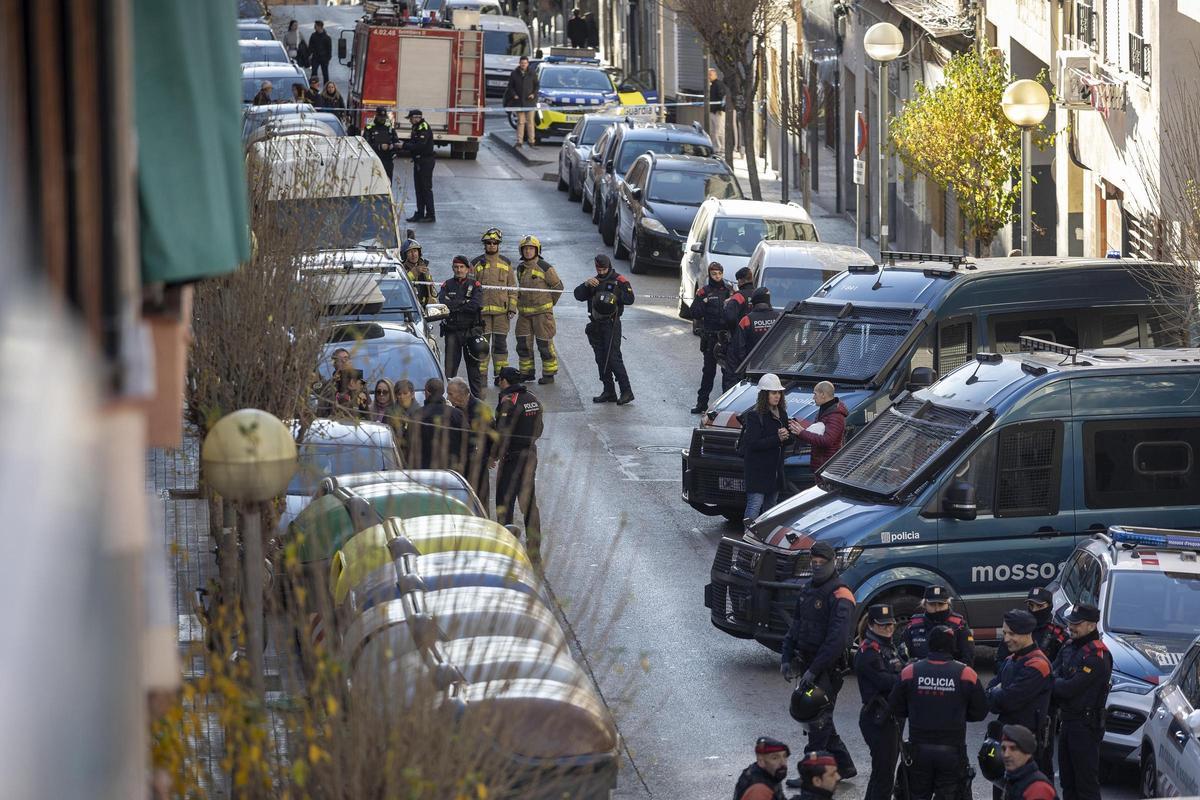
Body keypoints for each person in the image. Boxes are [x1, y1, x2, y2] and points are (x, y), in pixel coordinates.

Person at [780, 541, 857, 785]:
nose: (815, 567)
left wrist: (814, 671)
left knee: (817, 720)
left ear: (832, 563)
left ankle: (811, 776)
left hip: (827, 668)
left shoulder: (840, 595)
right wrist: (786, 656)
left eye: (820, 564)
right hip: (808, 663)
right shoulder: (807, 590)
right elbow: (796, 627)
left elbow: (836, 641)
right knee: (820, 718)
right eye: (812, 563)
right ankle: (844, 766)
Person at [889, 625, 989, 800]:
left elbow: (896, 707)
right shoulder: (966, 673)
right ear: (953, 646)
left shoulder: (910, 672)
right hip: (952, 752)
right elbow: (980, 712)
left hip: (918, 750)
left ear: (929, 644)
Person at [987, 609, 1054, 800]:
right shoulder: (1011, 660)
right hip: (1006, 740)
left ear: (1027, 634)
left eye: (1011, 634)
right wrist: (997, 693)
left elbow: (1008, 700)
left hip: (1025, 745)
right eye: (1005, 633)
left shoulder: (1038, 665)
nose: (1006, 639)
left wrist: (997, 692)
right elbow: (990, 698)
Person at [1051, 603, 1111, 800]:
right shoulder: (1069, 647)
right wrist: (1057, 683)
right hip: (1067, 722)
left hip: (1085, 726)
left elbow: (1070, 689)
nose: (1071, 627)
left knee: (1085, 785)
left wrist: (1056, 683)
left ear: (1092, 626)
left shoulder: (1097, 656)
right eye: (1070, 622)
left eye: (1077, 623)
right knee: (1067, 782)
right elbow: (1052, 674)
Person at [493, 367, 543, 561]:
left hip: (512, 457)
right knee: (529, 503)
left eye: (500, 380)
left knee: (504, 502)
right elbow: (539, 427)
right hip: (530, 454)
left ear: (505, 381)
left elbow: (502, 434)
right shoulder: (532, 398)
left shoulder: (508, 401)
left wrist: (495, 455)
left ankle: (508, 548)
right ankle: (534, 548)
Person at [855, 603, 904, 800]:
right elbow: (885, 681)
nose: (888, 628)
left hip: (890, 717)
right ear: (872, 625)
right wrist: (907, 676)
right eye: (883, 625)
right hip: (878, 718)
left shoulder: (888, 646)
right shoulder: (869, 651)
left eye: (891, 624)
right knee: (883, 777)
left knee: (882, 774)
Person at [574, 254, 634, 404]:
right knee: (601, 359)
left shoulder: (619, 280)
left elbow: (630, 299)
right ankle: (609, 391)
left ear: (609, 266)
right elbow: (578, 295)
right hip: (596, 324)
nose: (601, 272)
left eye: (604, 269)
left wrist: (615, 295)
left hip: (611, 324)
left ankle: (626, 391)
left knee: (613, 358)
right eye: (598, 269)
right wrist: (586, 285)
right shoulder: (594, 282)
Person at [740, 373, 789, 522]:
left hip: (774, 471)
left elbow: (787, 440)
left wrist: (788, 435)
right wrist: (777, 438)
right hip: (758, 471)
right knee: (754, 506)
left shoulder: (782, 414)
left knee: (771, 509)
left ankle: (765, 542)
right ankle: (747, 539)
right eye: (773, 393)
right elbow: (753, 443)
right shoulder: (755, 416)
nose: (777, 396)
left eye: (779, 392)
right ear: (764, 394)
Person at [515, 234, 563, 385]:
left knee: (544, 345)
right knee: (523, 344)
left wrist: (548, 305)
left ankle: (549, 374)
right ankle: (526, 373)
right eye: (525, 249)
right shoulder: (521, 268)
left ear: (537, 250)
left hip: (542, 315)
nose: (528, 252)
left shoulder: (545, 267)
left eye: (531, 249)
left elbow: (558, 287)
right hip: (524, 315)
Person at [437, 255, 485, 399]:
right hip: (452, 332)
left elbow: (475, 305)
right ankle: (450, 400)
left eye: (461, 267)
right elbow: (443, 304)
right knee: (450, 371)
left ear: (467, 269)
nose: (459, 270)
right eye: (456, 267)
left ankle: (478, 401)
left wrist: (455, 305)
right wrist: (463, 303)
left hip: (471, 332)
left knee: (474, 371)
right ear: (453, 268)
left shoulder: (475, 285)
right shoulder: (447, 285)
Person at [688, 262, 734, 414]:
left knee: (727, 373)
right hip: (710, 337)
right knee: (708, 372)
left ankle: (724, 406)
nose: (717, 276)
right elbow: (694, 312)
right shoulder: (703, 292)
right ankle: (702, 403)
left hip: (725, 337)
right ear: (710, 275)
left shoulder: (729, 290)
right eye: (714, 274)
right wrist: (703, 302)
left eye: (719, 273)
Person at [472, 228, 517, 380]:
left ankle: (500, 376)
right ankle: (481, 376)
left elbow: (513, 288)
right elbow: (470, 288)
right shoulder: (476, 264)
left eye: (494, 243)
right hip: (482, 314)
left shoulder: (506, 264)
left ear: (498, 245)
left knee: (500, 347)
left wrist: (511, 308)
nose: (491, 245)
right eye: (488, 243)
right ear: (484, 245)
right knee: (482, 347)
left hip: (501, 315)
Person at [447, 377, 496, 512]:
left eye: (450, 393)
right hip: (460, 464)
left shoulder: (481, 409)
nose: (448, 397)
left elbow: (493, 434)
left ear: (462, 394)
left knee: (480, 501)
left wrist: (491, 456)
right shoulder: (453, 410)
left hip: (478, 464)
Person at [902, 584, 976, 665]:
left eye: (941, 604)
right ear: (924, 604)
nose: (937, 608)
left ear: (948, 603)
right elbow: (903, 656)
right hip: (921, 674)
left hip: (949, 674)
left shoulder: (959, 625)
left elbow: (968, 658)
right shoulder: (914, 625)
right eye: (932, 604)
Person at [787, 381, 847, 472]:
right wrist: (798, 429)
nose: (813, 397)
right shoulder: (825, 410)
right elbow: (815, 432)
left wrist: (802, 432)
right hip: (822, 464)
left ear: (823, 394)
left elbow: (827, 441)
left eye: (815, 394)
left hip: (828, 467)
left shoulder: (835, 416)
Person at [411, 378, 465, 470]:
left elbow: (411, 443)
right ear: (443, 391)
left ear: (427, 392)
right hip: (451, 470)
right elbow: (466, 440)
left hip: (425, 469)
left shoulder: (418, 414)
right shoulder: (456, 414)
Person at [728, 287, 778, 377]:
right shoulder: (779, 317)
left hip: (753, 370)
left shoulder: (746, 320)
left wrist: (745, 368)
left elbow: (739, 349)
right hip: (775, 368)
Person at [999, 725, 1058, 800]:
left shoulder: (1037, 789)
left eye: (1013, 748)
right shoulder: (1013, 779)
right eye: (1003, 748)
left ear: (1027, 753)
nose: (1006, 754)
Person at [400, 109, 436, 222]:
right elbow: (414, 143)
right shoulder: (416, 127)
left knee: (426, 188)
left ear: (417, 117)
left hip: (425, 161)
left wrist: (403, 146)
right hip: (419, 161)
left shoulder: (423, 127)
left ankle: (430, 215)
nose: (410, 121)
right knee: (419, 189)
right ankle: (420, 213)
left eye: (411, 118)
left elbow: (420, 145)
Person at [505, 56, 539, 148]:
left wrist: (533, 94)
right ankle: (519, 141)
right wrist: (514, 95)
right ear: (519, 63)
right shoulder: (514, 73)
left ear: (527, 64)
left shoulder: (532, 73)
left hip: (530, 102)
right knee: (520, 122)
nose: (523, 65)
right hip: (519, 102)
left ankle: (531, 141)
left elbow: (537, 86)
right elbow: (510, 87)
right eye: (522, 63)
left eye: (525, 63)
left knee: (530, 122)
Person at [364, 107, 399, 182]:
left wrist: (393, 148)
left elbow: (396, 142)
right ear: (376, 116)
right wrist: (379, 147)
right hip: (374, 160)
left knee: (387, 184)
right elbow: (366, 145)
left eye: (384, 117)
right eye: (380, 117)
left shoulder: (389, 127)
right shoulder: (369, 128)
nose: (382, 119)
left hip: (387, 160)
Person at [387, 379, 418, 461]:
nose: (402, 397)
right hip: (394, 452)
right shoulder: (390, 411)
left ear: (412, 394)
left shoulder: (419, 411)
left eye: (405, 393)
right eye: (399, 394)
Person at [401, 238, 437, 306]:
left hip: (425, 305)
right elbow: (401, 284)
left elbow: (431, 287)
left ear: (419, 252)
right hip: (410, 305)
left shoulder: (424, 267)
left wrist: (433, 299)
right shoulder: (401, 268)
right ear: (405, 255)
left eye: (415, 251)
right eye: (410, 252)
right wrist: (414, 272)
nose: (413, 254)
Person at [708, 68, 727, 153]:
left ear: (715, 75)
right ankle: (716, 147)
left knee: (719, 131)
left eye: (710, 75)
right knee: (713, 131)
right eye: (708, 75)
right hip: (712, 111)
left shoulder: (718, 85)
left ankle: (722, 148)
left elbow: (722, 97)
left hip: (718, 112)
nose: (709, 77)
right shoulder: (711, 85)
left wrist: (721, 109)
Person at [308, 20, 333, 85]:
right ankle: (313, 86)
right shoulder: (313, 36)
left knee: (325, 73)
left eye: (315, 26)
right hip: (315, 58)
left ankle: (326, 87)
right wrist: (309, 54)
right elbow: (310, 46)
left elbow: (329, 49)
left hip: (324, 58)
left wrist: (328, 58)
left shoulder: (327, 37)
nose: (314, 27)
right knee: (314, 73)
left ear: (320, 26)